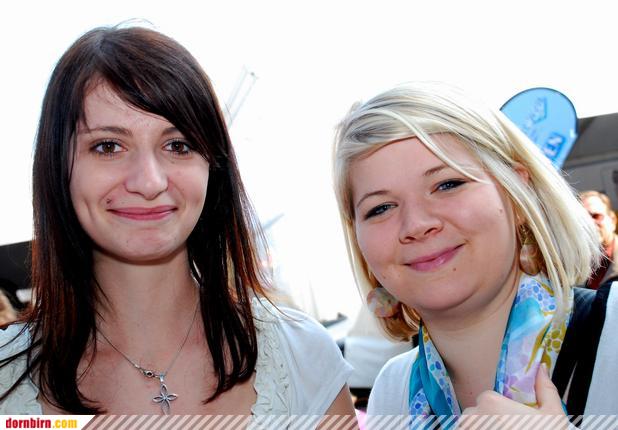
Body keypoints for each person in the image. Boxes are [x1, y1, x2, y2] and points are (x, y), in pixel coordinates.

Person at [0, 25, 354, 418]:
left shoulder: (302, 356)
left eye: (178, 145)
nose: (149, 181)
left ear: (212, 167)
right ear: (57, 167)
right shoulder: (5, 383)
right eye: (108, 146)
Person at [332, 81, 618, 423]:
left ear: (516, 194)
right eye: (380, 208)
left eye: (447, 184)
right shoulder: (392, 393)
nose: (416, 224)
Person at [580, 190, 618, 289]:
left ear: (613, 220)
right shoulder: (574, 268)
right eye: (582, 220)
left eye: (595, 216)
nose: (590, 224)